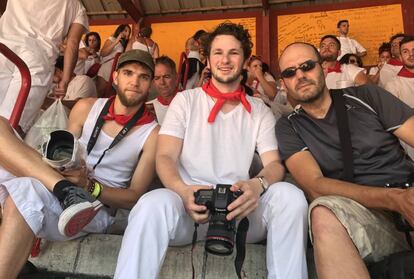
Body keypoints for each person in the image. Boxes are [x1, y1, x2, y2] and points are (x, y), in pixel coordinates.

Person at [114, 22, 308, 279]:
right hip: (189, 207)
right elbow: (165, 156)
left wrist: (256, 185)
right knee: (151, 204)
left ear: (246, 59)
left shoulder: (258, 109)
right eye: (218, 52)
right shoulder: (186, 100)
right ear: (207, 58)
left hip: (240, 209)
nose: (225, 60)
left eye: (233, 53)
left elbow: (274, 165)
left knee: (290, 196)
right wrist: (182, 191)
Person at [0, 49, 159, 278]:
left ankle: (66, 191)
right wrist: (61, 166)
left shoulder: (152, 133)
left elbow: (134, 196)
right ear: (115, 77)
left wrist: (89, 186)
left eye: (143, 77)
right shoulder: (86, 106)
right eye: (128, 73)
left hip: (93, 207)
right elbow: (63, 147)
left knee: (25, 193)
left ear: (149, 84)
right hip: (57, 182)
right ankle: (63, 188)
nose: (134, 81)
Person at [276, 42, 414, 279]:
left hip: (409, 190)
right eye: (290, 72)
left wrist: (407, 197)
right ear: (284, 82)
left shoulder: (367, 96)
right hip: (366, 215)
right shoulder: (289, 126)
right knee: (322, 212)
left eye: (307, 66)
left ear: (324, 68)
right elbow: (314, 184)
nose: (300, 75)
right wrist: (395, 200)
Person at [0, 0, 88, 133]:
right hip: (37, 61)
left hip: (4, 49)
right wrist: (64, 81)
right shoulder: (76, 6)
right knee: (12, 124)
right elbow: (73, 43)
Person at [385, 35, 414, 159]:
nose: (411, 55)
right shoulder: (393, 86)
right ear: (400, 57)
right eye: (405, 52)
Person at [96, 24, 131, 94]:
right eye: (125, 30)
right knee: (100, 91)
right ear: (120, 30)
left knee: (109, 93)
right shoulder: (112, 39)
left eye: (128, 32)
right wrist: (115, 42)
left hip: (115, 68)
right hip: (106, 68)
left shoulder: (125, 44)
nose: (126, 33)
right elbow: (103, 53)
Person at [146, 56, 178, 124]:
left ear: (176, 78)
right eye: (157, 78)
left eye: (166, 77)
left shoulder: (189, 103)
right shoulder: (148, 108)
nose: (162, 82)